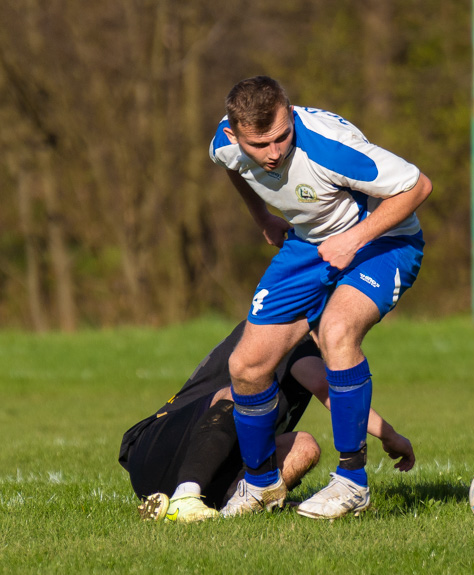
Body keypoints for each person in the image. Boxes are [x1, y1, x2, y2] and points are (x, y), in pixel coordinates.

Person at [210, 76, 432, 519]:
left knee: (336, 330)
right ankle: (261, 487)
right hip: (308, 245)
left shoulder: (329, 148)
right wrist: (263, 218)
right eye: (260, 144)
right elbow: (234, 167)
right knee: (246, 367)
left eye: (281, 136)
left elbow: (418, 186)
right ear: (236, 136)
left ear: (290, 116)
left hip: (381, 241)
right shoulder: (225, 144)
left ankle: (352, 483)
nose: (273, 152)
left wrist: (355, 239)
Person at [119, 321, 416, 522]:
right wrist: (389, 436)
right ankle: (186, 494)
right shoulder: (291, 328)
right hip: (156, 448)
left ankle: (229, 509)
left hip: (215, 472)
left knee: (306, 446)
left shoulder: (312, 339)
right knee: (237, 396)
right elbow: (328, 390)